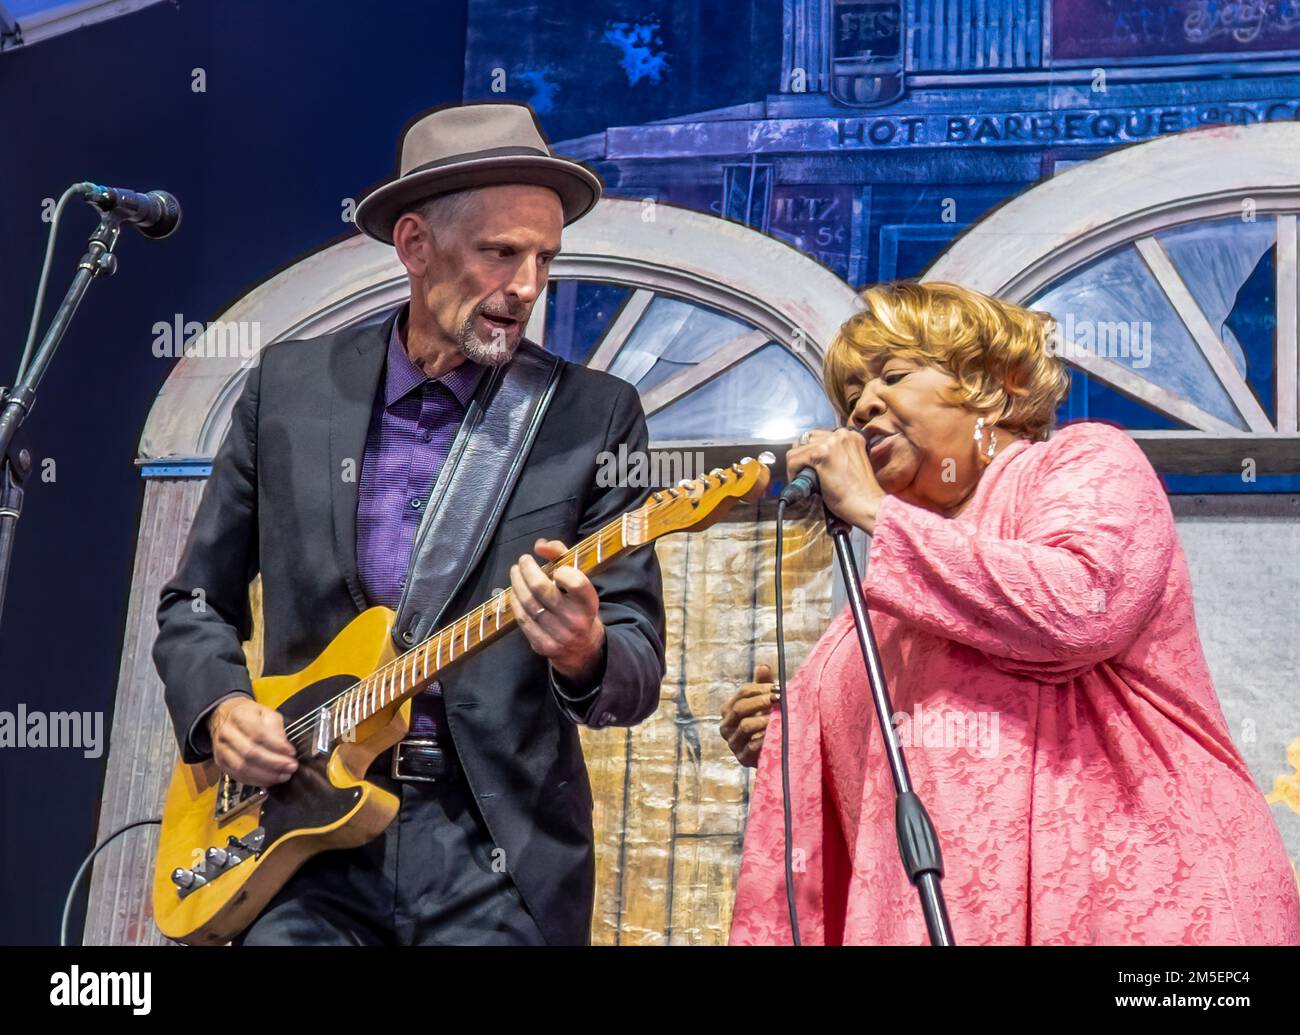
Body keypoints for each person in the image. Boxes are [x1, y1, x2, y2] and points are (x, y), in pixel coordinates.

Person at [153, 101, 666, 945]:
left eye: (545, 259)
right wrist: (220, 709)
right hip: (297, 834)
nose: (528, 286)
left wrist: (585, 647)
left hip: (495, 850)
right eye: (501, 252)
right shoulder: (288, 388)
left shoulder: (593, 416)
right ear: (416, 245)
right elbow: (195, 603)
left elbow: (635, 664)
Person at [723, 280, 1300, 945]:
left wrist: (876, 513)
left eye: (892, 375)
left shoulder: (1084, 463)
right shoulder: (877, 606)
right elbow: (907, 766)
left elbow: (1081, 604)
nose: (863, 406)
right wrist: (790, 737)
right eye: (850, 395)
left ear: (992, 389)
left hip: (1144, 907)